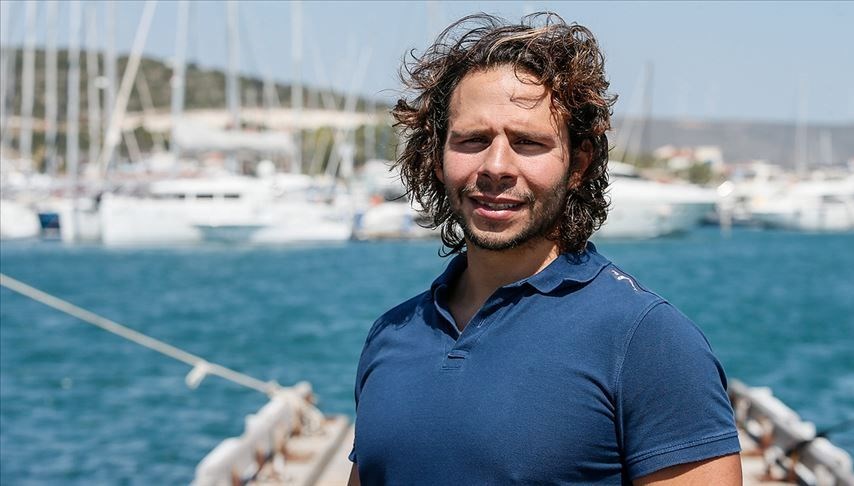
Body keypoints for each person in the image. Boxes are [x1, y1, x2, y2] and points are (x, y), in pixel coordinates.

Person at [348, 13, 741, 485]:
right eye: (472, 140)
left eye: (528, 142)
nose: (496, 166)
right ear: (436, 158)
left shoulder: (647, 341)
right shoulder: (392, 334)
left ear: (578, 164)